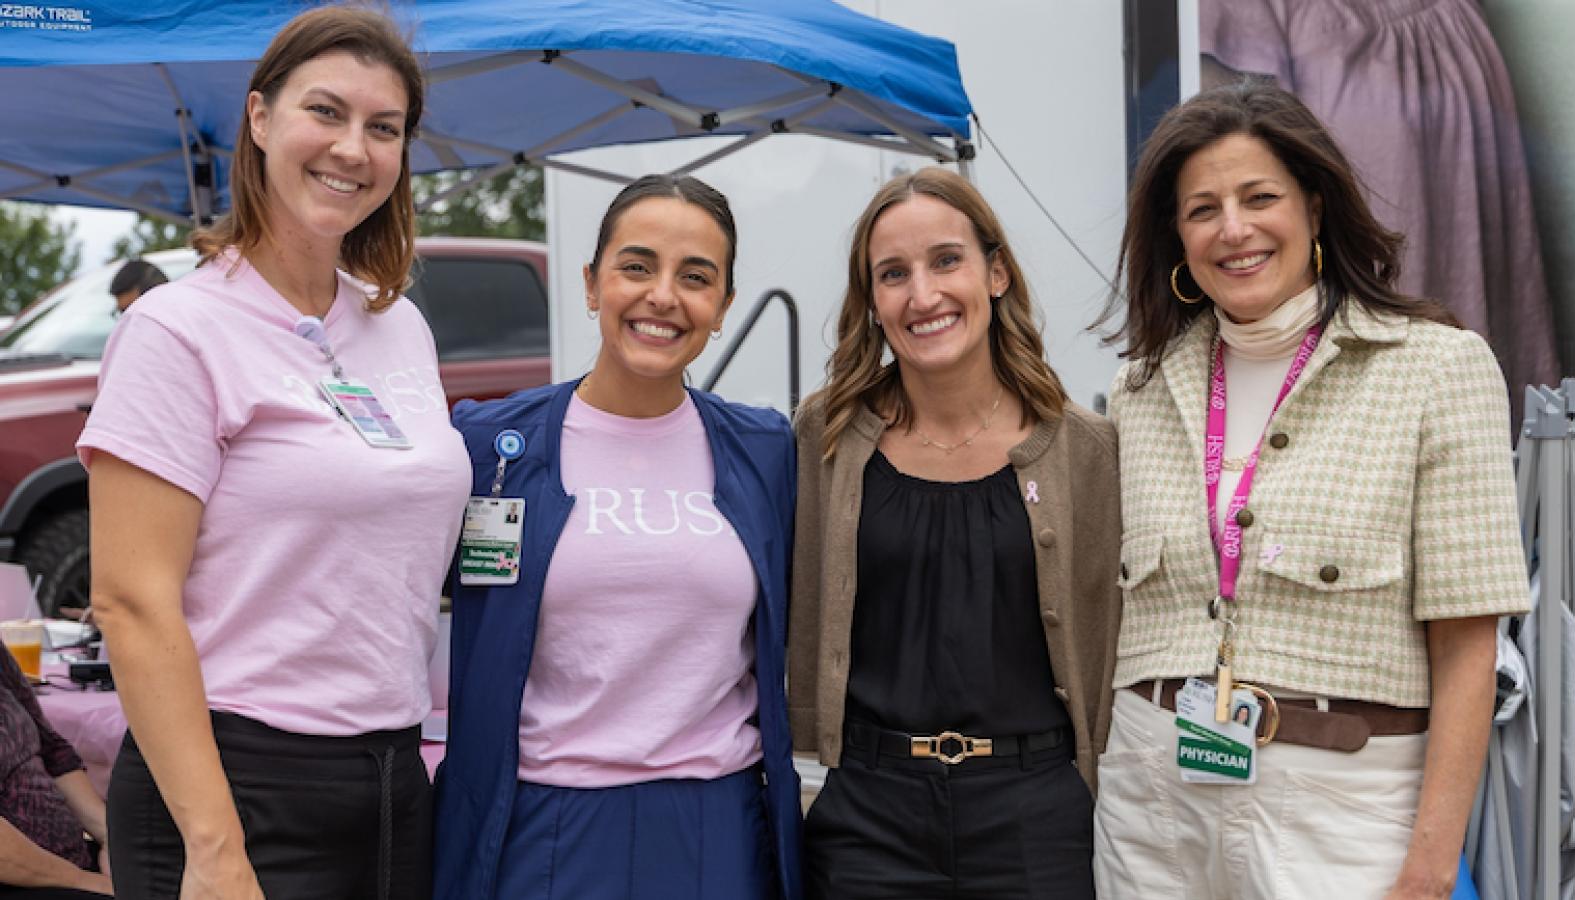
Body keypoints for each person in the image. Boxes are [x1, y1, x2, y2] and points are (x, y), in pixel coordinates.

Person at [1092, 79, 1528, 899]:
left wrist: (1431, 868)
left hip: (1344, 811)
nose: (1234, 229)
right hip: (1151, 806)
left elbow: (1469, 644)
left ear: (1316, 208)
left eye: (1260, 198)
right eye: (1202, 210)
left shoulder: (1437, 368)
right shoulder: (1139, 391)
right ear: (1176, 237)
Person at [77, 7, 466, 898]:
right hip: (232, 789)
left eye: (383, 128)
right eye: (325, 111)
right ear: (259, 118)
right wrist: (214, 846)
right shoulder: (177, 329)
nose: (352, 149)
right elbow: (130, 603)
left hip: (392, 779)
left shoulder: (398, 325)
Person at [433, 174, 803, 900]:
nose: (662, 296)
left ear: (724, 307)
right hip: (541, 825)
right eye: (637, 266)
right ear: (591, 283)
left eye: (695, 277)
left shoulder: (765, 450)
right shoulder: (489, 443)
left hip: (714, 827)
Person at [789, 166, 1121, 898]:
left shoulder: (1087, 450)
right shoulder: (825, 438)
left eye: (946, 261)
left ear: (996, 273)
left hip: (1038, 819)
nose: (923, 295)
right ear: (872, 301)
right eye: (893, 274)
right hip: (868, 820)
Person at [0, 647, 112, 899]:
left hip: (70, 861)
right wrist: (84, 881)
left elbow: (53, 751)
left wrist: (109, 837)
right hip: (26, 879)